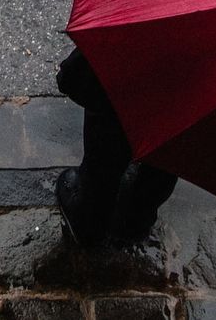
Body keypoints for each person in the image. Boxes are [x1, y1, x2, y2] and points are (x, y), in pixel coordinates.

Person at [55, 47, 178, 246]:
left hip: (129, 67)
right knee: (176, 124)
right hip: (191, 75)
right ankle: (136, 219)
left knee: (109, 135)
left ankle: (89, 220)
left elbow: (71, 80)